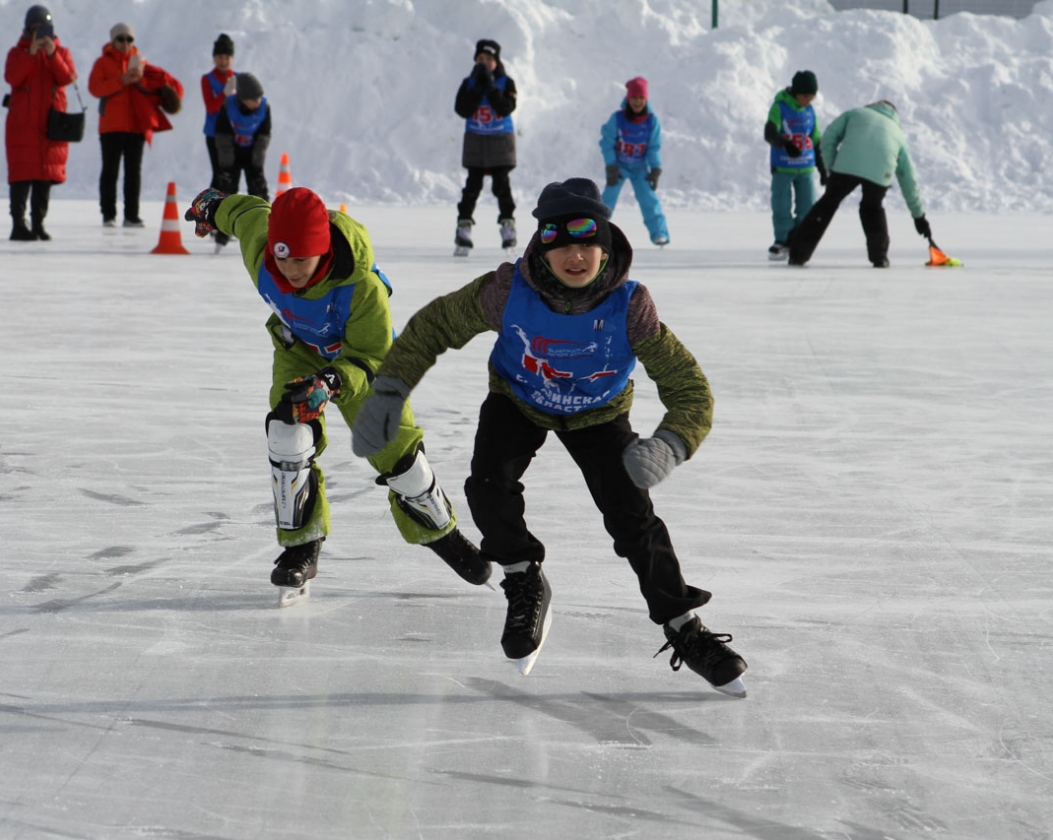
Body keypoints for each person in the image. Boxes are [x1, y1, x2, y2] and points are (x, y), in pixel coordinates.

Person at [350, 178, 749, 696]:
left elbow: (689, 388)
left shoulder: (631, 308)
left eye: (587, 244)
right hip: (517, 401)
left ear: (605, 248)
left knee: (634, 521)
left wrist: (671, 443)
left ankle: (683, 627)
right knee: (488, 485)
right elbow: (434, 326)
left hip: (600, 415)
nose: (575, 257)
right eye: (561, 245)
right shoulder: (506, 291)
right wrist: (388, 392)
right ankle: (523, 578)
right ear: (542, 246)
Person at [181, 185, 492, 604]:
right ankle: (301, 546)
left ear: (324, 252)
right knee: (288, 436)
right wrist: (213, 206)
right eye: (281, 257)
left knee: (403, 463)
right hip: (299, 352)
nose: (289, 270)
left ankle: (442, 533)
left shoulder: (362, 289)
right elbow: (245, 211)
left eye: (301, 261)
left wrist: (331, 384)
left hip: (361, 363)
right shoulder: (261, 245)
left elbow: (373, 357)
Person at [787, 99, 931, 267]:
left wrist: (832, 168)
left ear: (873, 105)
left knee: (827, 204)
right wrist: (918, 216)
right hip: (880, 170)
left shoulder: (855, 114)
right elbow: (909, 178)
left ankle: (798, 254)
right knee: (872, 207)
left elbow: (828, 137)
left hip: (848, 164)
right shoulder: (897, 133)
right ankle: (880, 257)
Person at [88, 23, 184, 227]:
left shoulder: (141, 64)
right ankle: (108, 214)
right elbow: (95, 89)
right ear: (112, 41)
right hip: (111, 127)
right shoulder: (102, 63)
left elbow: (155, 89)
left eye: (129, 39)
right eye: (120, 39)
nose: (125, 43)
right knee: (110, 171)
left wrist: (141, 79)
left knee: (133, 173)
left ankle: (131, 215)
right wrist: (122, 80)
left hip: (136, 126)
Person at [3, 5, 77, 241]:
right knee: (21, 177)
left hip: (50, 125)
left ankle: (38, 223)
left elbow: (67, 77)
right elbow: (12, 77)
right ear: (27, 30)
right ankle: (18, 223)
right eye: (35, 29)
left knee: (44, 178)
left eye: (44, 29)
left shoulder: (61, 53)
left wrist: (53, 54)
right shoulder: (17, 53)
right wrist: (31, 54)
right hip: (22, 127)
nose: (40, 34)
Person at [453, 39, 518, 255]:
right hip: (477, 139)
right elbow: (462, 109)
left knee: (502, 185)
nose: (484, 62)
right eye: (480, 58)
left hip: (500, 138)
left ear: (496, 62)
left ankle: (508, 225)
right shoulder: (468, 83)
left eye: (489, 59)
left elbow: (506, 107)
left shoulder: (506, 82)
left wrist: (490, 88)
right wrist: (478, 88)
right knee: (472, 186)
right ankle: (464, 227)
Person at [764, 70, 827, 261]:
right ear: (796, 92)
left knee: (807, 207)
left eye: (812, 97)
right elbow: (769, 133)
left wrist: (823, 169)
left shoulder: (809, 112)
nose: (808, 100)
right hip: (783, 167)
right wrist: (785, 143)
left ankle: (799, 239)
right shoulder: (780, 107)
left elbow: (816, 140)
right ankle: (783, 239)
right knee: (781, 205)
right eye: (805, 96)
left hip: (805, 168)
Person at [600, 76, 669, 247]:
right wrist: (611, 166)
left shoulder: (652, 121)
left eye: (641, 98)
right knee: (607, 199)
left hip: (639, 168)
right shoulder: (617, 118)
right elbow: (607, 142)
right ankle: (596, 230)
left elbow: (653, 147)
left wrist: (655, 168)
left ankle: (659, 233)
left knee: (649, 199)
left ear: (646, 99)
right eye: (634, 98)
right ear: (628, 99)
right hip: (620, 167)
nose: (637, 102)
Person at [212, 72, 271, 249]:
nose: (257, 102)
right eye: (253, 99)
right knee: (227, 192)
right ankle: (222, 234)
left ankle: (267, 230)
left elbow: (264, 135)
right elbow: (222, 135)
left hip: (253, 154)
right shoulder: (228, 105)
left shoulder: (264, 108)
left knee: (259, 191)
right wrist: (227, 164)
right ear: (243, 98)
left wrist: (257, 162)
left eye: (259, 97)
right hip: (232, 152)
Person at [201, 33, 237, 191]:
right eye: (220, 57)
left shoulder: (237, 78)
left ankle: (227, 210)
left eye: (227, 57)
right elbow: (211, 107)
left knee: (232, 176)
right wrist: (225, 94)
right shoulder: (207, 79)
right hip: (214, 134)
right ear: (214, 58)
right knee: (219, 175)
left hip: (233, 133)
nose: (223, 61)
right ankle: (206, 210)